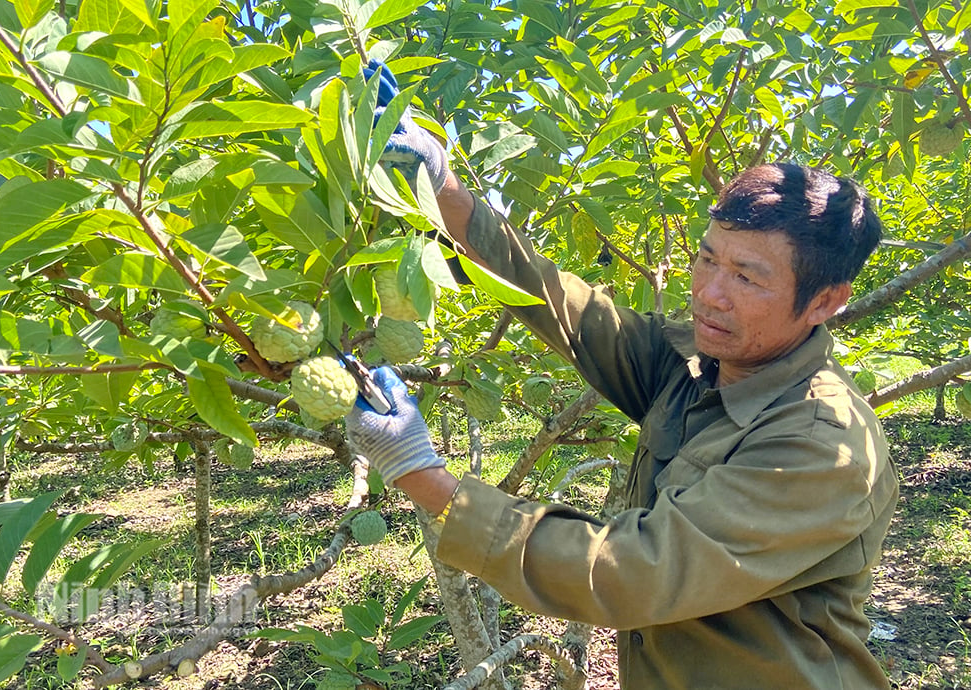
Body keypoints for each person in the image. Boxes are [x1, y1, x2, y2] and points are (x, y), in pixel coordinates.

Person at [345, 62, 899, 689]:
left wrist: (424, 477)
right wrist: (444, 189)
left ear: (825, 300)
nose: (709, 295)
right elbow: (565, 307)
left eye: (747, 278)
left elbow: (631, 573)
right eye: (706, 260)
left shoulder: (822, 443)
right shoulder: (699, 363)